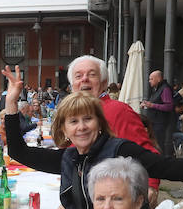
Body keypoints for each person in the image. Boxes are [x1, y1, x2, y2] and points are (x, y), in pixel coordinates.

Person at [2, 67, 183, 209]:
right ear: (65, 129)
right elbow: (19, 153)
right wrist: (11, 102)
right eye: (73, 121)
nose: (81, 127)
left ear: (99, 123)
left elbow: (168, 167)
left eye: (88, 119)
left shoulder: (120, 151)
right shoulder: (70, 158)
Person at [67, 55, 161, 198]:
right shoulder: (71, 113)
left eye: (92, 75)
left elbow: (146, 152)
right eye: (78, 76)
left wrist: (151, 186)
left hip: (114, 199)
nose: (84, 79)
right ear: (72, 85)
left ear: (104, 83)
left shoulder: (118, 111)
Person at [144, 70, 176, 156]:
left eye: (151, 79)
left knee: (159, 143)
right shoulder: (157, 89)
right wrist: (147, 104)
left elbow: (169, 106)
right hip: (154, 122)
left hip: (160, 122)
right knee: (155, 143)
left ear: (158, 79)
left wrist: (152, 105)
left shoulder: (165, 89)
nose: (149, 81)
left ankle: (160, 160)